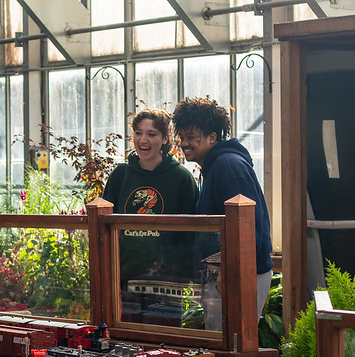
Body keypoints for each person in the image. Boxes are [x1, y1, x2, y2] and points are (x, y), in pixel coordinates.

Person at [171, 97, 273, 325]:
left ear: (212, 138)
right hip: (223, 273)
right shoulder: (214, 167)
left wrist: (228, 272)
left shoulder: (227, 166)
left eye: (191, 138)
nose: (184, 143)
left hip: (236, 274)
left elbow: (248, 223)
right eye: (182, 138)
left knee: (232, 345)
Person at [102, 108, 199, 318]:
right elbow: (104, 227)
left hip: (166, 282)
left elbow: (191, 233)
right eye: (138, 133)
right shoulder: (120, 175)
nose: (143, 139)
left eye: (151, 134)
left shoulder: (181, 178)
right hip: (123, 278)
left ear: (165, 139)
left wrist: (183, 275)